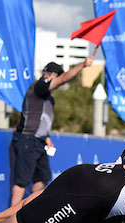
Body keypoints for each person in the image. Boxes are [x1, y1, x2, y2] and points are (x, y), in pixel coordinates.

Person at [10, 56, 94, 206]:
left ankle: (30, 211)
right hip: (27, 140)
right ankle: (8, 220)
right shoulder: (40, 85)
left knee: (43, 177)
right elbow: (63, 80)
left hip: (39, 141)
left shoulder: (47, 94)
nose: (59, 80)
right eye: (57, 76)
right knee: (21, 182)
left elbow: (42, 118)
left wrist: (47, 137)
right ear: (50, 75)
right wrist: (82, 65)